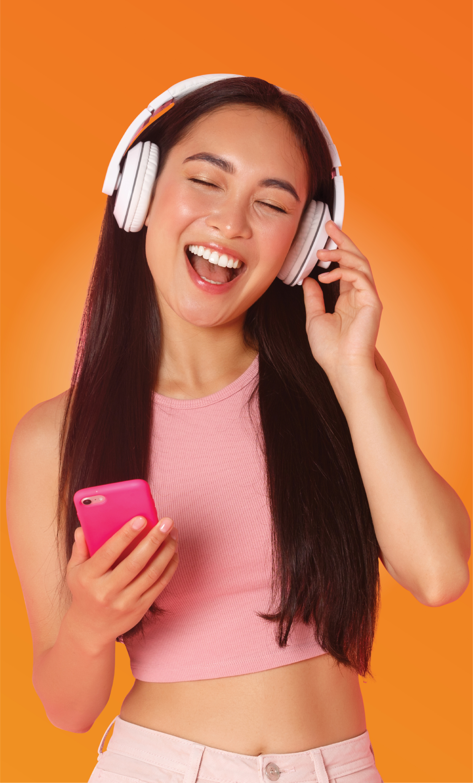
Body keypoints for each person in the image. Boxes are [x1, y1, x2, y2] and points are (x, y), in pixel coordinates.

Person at [7, 74, 470, 783]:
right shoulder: (52, 438)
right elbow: (67, 709)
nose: (231, 223)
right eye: (207, 181)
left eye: (272, 203)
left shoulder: (341, 377)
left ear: (301, 240)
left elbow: (440, 574)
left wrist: (352, 372)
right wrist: (89, 627)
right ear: (140, 193)